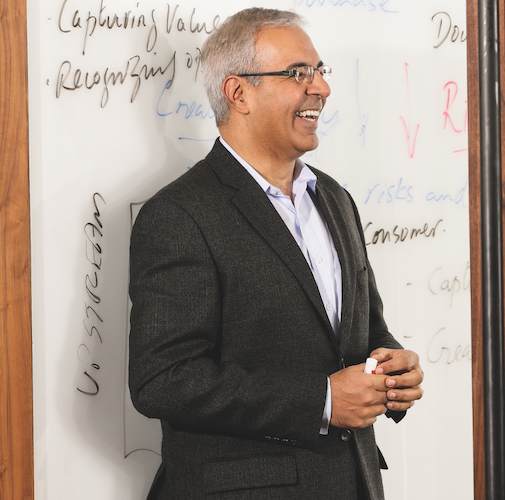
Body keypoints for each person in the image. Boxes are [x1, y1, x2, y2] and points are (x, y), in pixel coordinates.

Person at [128, 8, 423, 500]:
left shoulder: (334, 199)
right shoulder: (180, 213)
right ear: (238, 93)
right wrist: (323, 400)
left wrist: (392, 369)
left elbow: (365, 330)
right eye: (296, 74)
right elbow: (163, 379)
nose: (321, 88)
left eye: (320, 70)